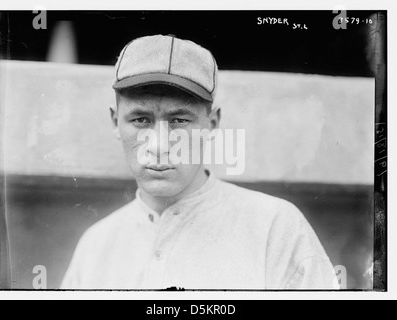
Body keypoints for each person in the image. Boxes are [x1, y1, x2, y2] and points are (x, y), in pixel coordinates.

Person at [61, 34, 338, 290]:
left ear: (212, 124)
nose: (158, 145)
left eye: (179, 120)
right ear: (115, 122)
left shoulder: (275, 227)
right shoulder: (95, 246)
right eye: (140, 120)